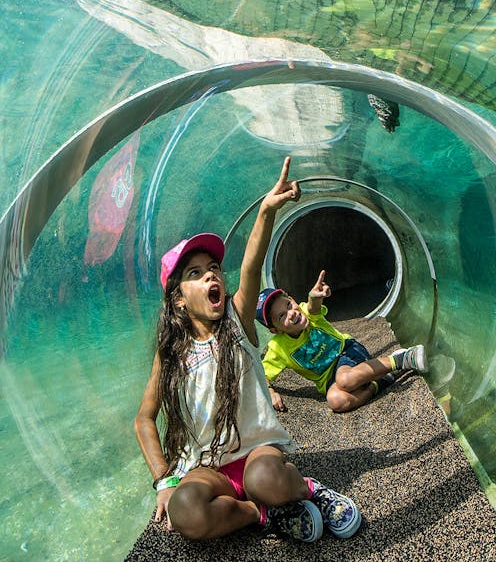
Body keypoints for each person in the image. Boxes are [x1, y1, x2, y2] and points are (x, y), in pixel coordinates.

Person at [134, 157, 361, 544]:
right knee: (185, 512)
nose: (211, 274)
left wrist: (267, 211)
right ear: (178, 302)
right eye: (195, 273)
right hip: (208, 468)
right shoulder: (171, 354)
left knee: (266, 479)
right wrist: (164, 481)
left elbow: (252, 262)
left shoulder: (237, 322)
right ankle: (262, 514)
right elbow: (143, 420)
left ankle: (307, 490)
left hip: (257, 454)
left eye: (213, 268)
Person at [256, 269, 428, 414]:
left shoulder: (307, 314)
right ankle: (381, 381)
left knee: (345, 379)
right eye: (281, 316)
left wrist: (314, 297)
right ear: (275, 330)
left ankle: (401, 359)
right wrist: (270, 391)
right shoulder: (278, 348)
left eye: (288, 304)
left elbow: (312, 307)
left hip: (346, 352)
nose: (291, 313)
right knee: (336, 401)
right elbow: (261, 374)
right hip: (330, 380)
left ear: (293, 299)